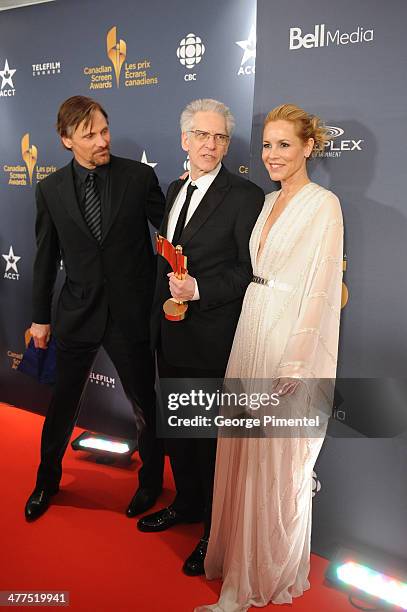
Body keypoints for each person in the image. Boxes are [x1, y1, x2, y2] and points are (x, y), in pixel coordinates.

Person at [196, 104, 344, 611]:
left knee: (275, 460)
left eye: (284, 144)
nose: (272, 155)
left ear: (308, 147)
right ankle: (242, 561)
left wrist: (298, 362)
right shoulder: (265, 201)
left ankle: (262, 574)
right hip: (252, 326)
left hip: (287, 341)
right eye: (266, 145)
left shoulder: (324, 205)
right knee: (245, 450)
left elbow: (322, 289)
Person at [137, 99, 264, 576]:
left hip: (213, 340)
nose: (211, 145)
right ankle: (186, 505)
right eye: (202, 136)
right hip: (170, 337)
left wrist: (201, 289)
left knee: (210, 443)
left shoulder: (245, 196)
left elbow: (248, 270)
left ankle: (214, 531)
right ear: (184, 139)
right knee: (180, 437)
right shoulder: (174, 188)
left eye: (220, 138)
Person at [25, 95, 166, 521]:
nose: (102, 140)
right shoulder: (49, 189)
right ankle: (46, 481)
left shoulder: (139, 178)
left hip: (131, 314)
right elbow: (45, 257)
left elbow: (174, 230)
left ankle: (151, 484)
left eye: (104, 130)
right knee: (62, 406)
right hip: (78, 313)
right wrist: (40, 318)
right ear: (66, 139)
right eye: (90, 135)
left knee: (145, 404)